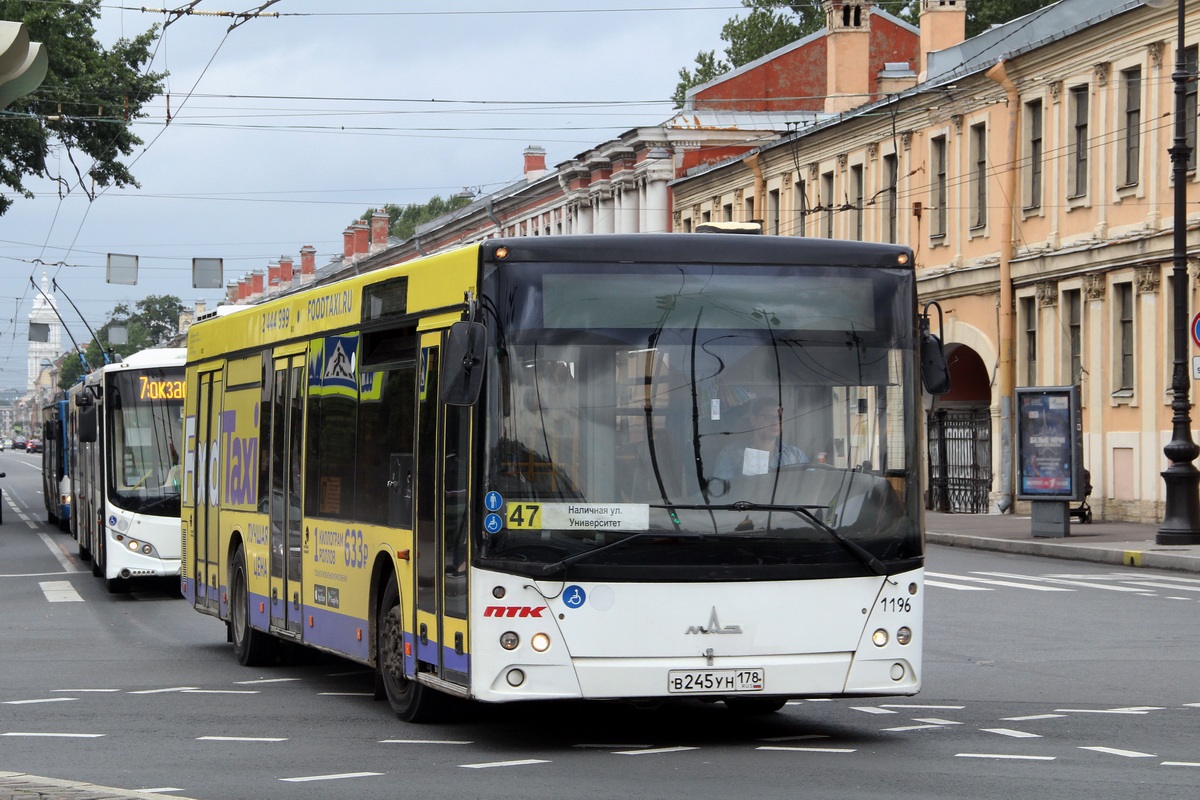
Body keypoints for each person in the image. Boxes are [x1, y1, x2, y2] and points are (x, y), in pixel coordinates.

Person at [712, 398, 808, 482]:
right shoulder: (732, 453)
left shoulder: (795, 455)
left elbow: (808, 485)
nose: (776, 423)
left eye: (779, 418)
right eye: (769, 417)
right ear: (753, 420)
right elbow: (721, 490)